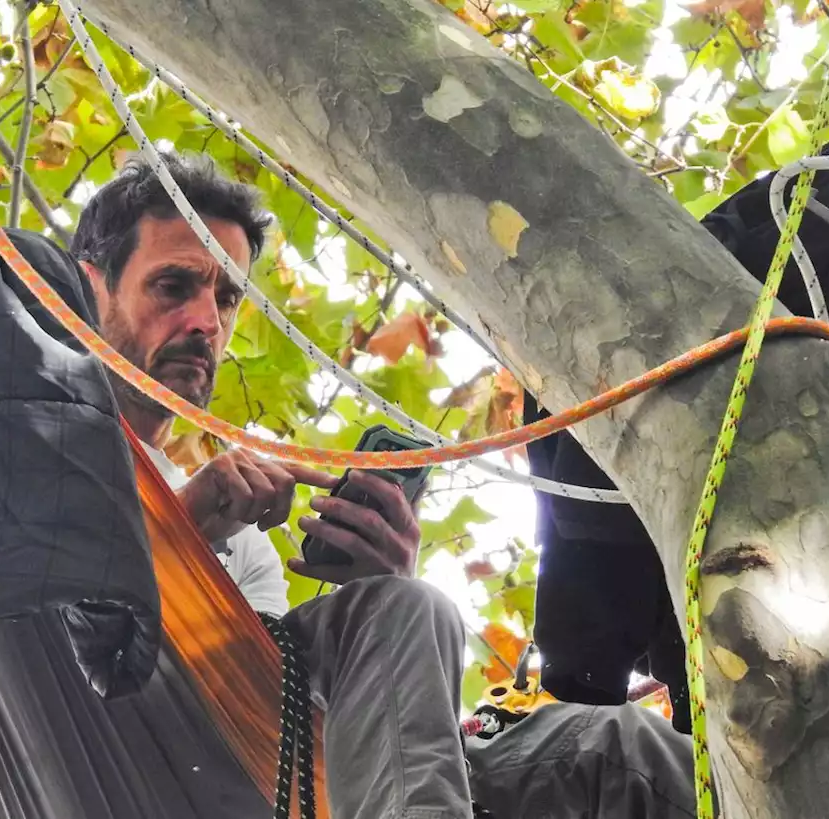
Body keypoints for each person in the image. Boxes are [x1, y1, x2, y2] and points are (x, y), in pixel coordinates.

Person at [68, 150, 701, 819]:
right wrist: (182, 529)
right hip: (117, 763)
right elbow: (40, 623)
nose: (206, 322)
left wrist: (381, 593)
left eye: (226, 297)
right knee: (405, 610)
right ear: (89, 287)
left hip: (288, 776)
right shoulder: (34, 449)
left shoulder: (245, 550)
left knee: (627, 752)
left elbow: (300, 722)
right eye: (173, 286)